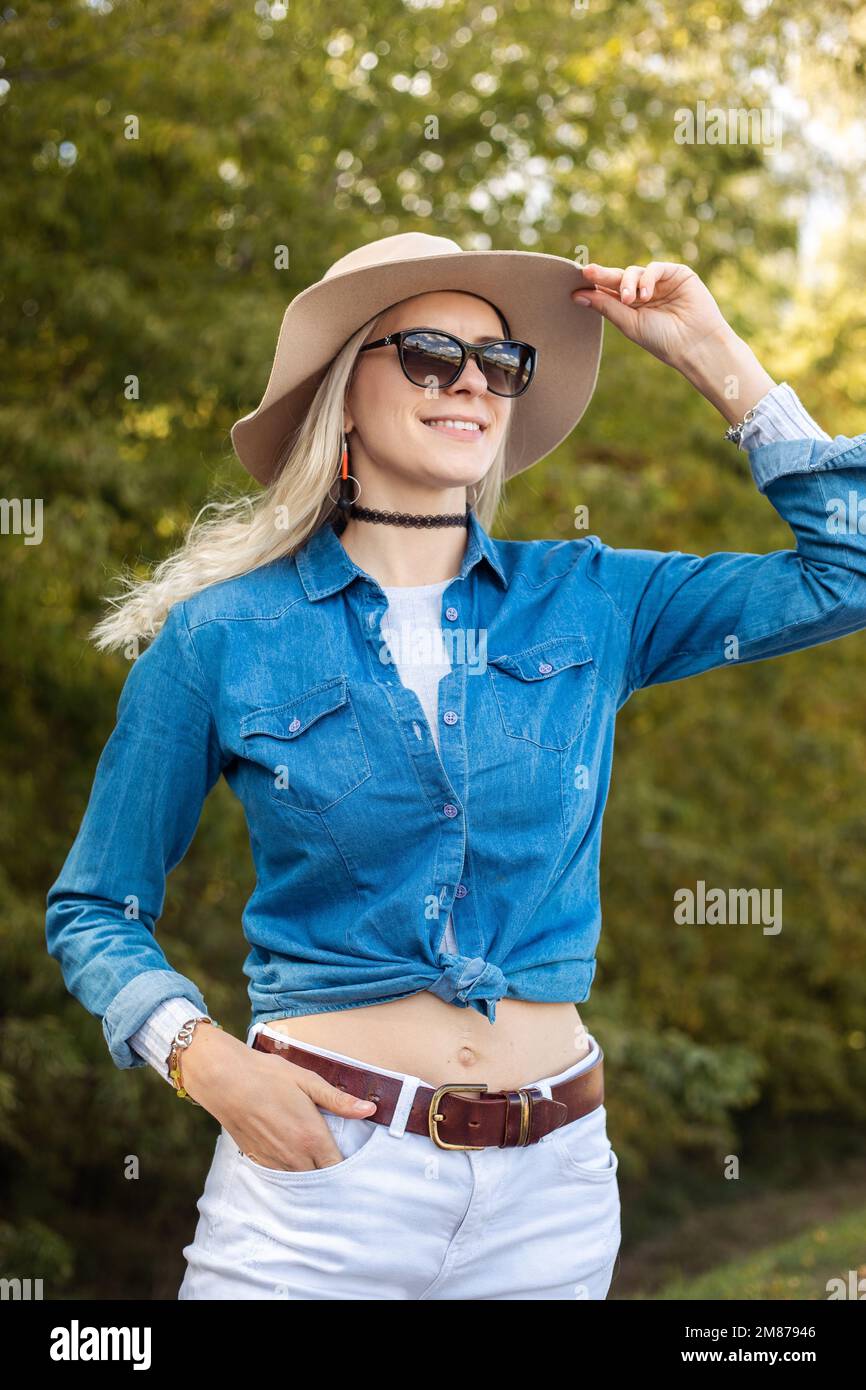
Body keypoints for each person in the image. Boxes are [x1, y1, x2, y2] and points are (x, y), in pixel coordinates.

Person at [45, 232, 865, 1300]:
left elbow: (842, 569)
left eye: (500, 361)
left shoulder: (588, 597)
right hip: (319, 1183)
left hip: (552, 1190)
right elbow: (95, 907)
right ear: (344, 388)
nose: (472, 381)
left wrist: (714, 356)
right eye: (431, 354)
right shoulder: (220, 636)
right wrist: (207, 1064)